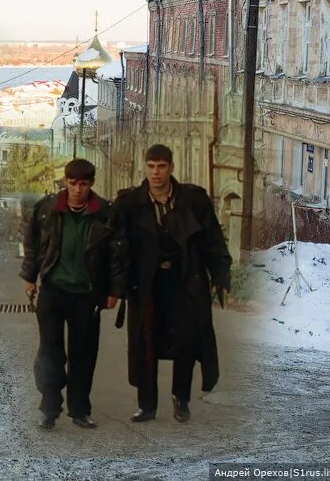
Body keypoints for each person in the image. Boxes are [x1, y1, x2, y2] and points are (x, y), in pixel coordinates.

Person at [113, 144, 232, 424]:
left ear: (171, 168)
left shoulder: (192, 201)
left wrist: (220, 276)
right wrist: (115, 286)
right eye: (151, 166)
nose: (156, 173)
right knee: (146, 342)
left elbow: (212, 241)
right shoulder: (129, 204)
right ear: (145, 166)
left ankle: (181, 399)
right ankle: (147, 405)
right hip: (147, 285)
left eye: (162, 166)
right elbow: (117, 247)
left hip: (184, 281)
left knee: (186, 343)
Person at [20, 159, 127, 430]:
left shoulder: (105, 213)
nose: (78, 189)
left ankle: (80, 409)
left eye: (83, 184)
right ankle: (49, 408)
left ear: (91, 184)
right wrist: (30, 277)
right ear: (65, 182)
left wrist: (114, 290)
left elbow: (117, 254)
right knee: (50, 353)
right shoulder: (47, 209)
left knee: (83, 354)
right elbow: (32, 242)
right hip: (54, 290)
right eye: (73, 183)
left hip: (87, 295)